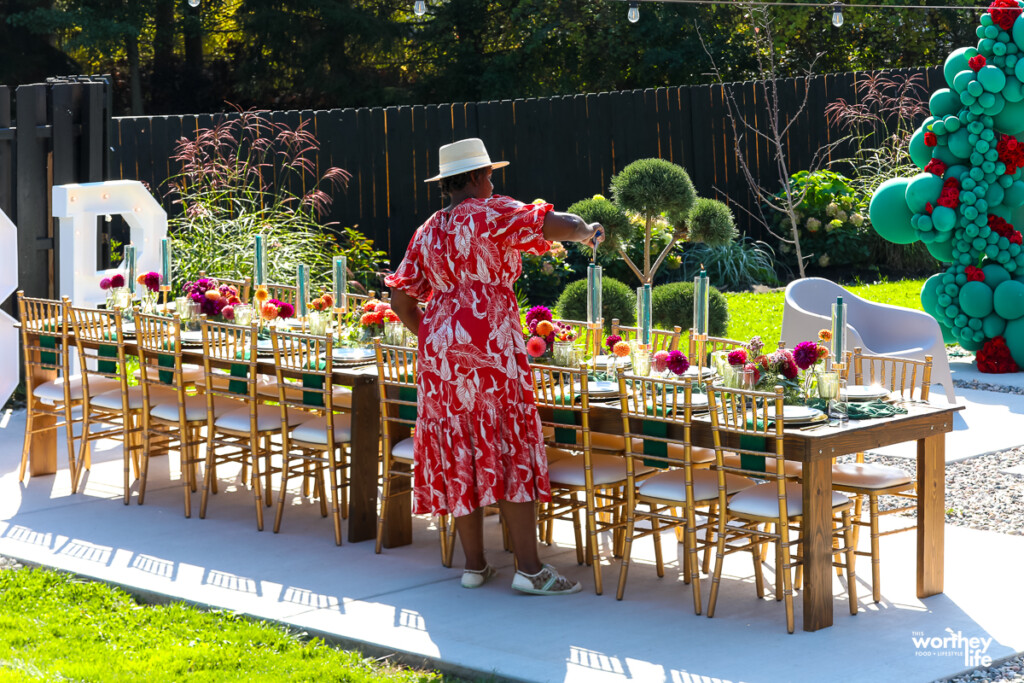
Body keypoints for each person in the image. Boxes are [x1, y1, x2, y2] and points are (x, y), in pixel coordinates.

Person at [386, 138, 603, 595]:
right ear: (478, 177)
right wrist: (586, 231)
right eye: (488, 174)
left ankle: (474, 565)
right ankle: (529, 570)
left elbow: (401, 297)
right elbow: (555, 223)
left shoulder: (429, 229)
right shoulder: (493, 211)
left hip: (442, 351)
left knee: (461, 445)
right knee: (507, 444)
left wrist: (430, 336)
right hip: (490, 343)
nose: (492, 180)